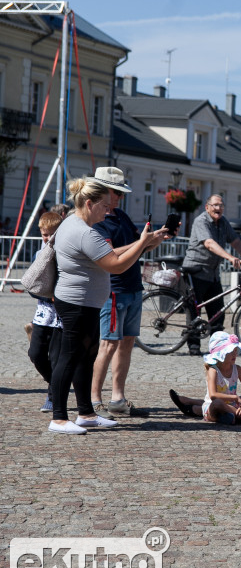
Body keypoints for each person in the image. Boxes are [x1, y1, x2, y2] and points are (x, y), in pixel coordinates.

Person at [47, 176, 162, 435]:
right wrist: (143, 242)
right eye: (103, 206)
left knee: (86, 356)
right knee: (69, 356)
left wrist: (142, 243)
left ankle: (86, 413)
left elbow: (115, 257)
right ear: (89, 204)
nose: (107, 210)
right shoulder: (84, 232)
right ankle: (58, 417)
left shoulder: (74, 224)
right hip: (76, 302)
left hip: (85, 302)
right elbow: (116, 264)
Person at [91, 167, 167, 418]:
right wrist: (143, 241)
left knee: (126, 344)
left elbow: (137, 250)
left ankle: (117, 398)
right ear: (102, 191)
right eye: (117, 193)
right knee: (108, 344)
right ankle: (94, 400)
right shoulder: (97, 221)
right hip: (113, 291)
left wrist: (153, 239)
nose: (120, 198)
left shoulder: (121, 216)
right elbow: (112, 254)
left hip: (133, 288)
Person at [181, 194, 241, 355]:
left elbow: (234, 240)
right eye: (214, 205)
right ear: (207, 207)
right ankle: (193, 346)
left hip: (212, 273)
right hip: (196, 269)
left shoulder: (223, 222)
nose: (218, 208)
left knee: (217, 313)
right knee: (194, 311)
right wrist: (229, 257)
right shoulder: (201, 221)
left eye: (221, 205)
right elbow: (209, 243)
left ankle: (218, 346)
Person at [27, 212, 65, 412]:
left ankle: (53, 396)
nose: (48, 239)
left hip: (61, 312)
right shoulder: (39, 253)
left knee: (56, 357)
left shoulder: (64, 252)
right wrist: (44, 295)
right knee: (35, 353)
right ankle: (57, 383)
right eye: (44, 235)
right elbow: (35, 283)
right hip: (44, 310)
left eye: (52, 234)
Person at [200, 332, 241, 424]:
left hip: (232, 405)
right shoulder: (213, 371)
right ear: (221, 353)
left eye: (235, 350)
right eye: (231, 351)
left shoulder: (238, 369)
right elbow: (213, 395)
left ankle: (233, 416)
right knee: (218, 403)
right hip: (212, 407)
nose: (235, 354)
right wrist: (235, 398)